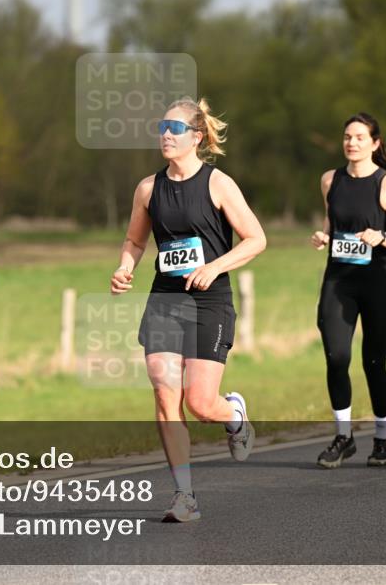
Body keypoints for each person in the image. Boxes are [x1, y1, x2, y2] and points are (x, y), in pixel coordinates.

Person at [111, 97, 266, 522]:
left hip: (209, 301)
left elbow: (256, 239)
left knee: (200, 403)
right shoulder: (148, 188)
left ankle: (234, 415)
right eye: (162, 127)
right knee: (165, 394)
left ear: (196, 137)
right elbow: (135, 240)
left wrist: (214, 267)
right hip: (165, 300)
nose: (166, 134)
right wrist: (125, 268)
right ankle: (184, 496)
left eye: (175, 128)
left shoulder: (218, 184)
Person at [310, 113, 386, 468]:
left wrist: (381, 236)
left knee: (373, 362)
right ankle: (344, 437)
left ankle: (383, 438)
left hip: (379, 283)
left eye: (359, 137)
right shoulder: (330, 180)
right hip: (339, 282)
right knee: (336, 357)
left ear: (375, 143)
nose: (351, 143)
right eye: (347, 137)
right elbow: (332, 221)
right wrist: (323, 236)